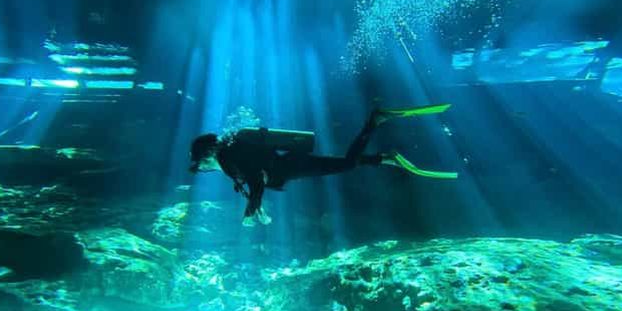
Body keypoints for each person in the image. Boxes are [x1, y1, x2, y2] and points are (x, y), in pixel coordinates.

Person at [188, 104, 458, 224]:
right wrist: (255, 205)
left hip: (290, 166)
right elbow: (255, 177)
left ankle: (375, 121)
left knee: (346, 164)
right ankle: (383, 158)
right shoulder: (230, 156)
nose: (203, 170)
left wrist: (251, 209)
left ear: (206, 154)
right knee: (342, 164)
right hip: (289, 166)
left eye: (200, 165)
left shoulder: (226, 158)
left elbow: (256, 178)